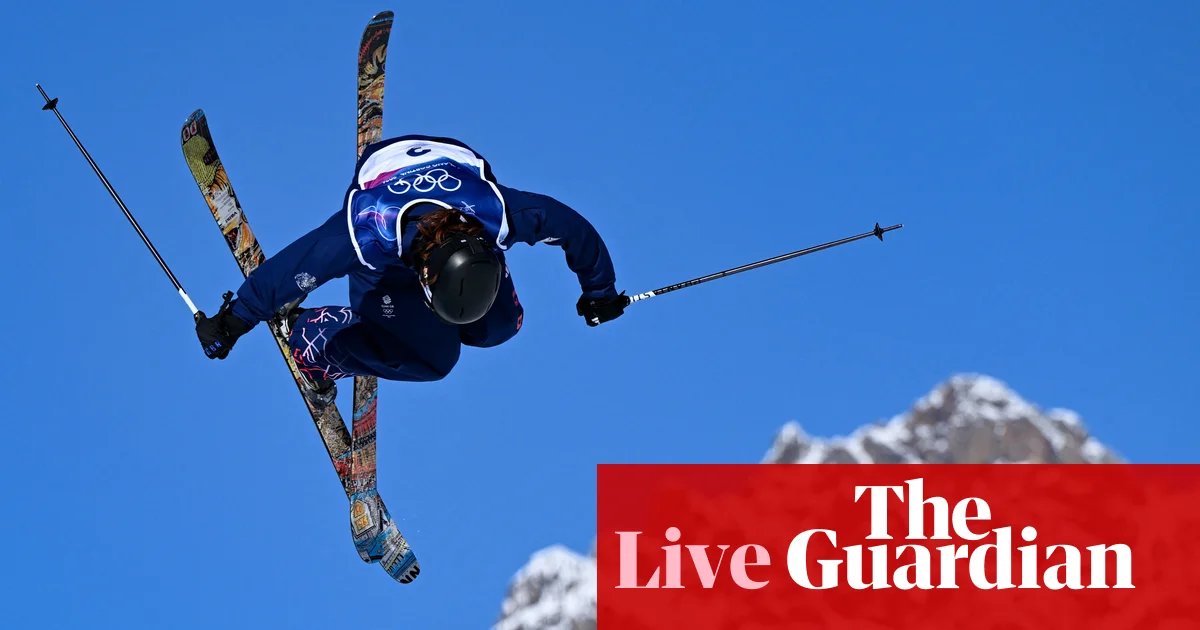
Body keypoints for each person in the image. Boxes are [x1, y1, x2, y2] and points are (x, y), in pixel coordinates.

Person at [194, 134, 628, 404]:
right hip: (390, 261)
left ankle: (442, 309)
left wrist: (601, 291)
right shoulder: (367, 232)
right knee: (434, 360)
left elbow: (574, 229)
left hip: (451, 175)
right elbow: (295, 267)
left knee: (500, 327)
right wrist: (233, 321)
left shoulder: (498, 214)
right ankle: (320, 343)